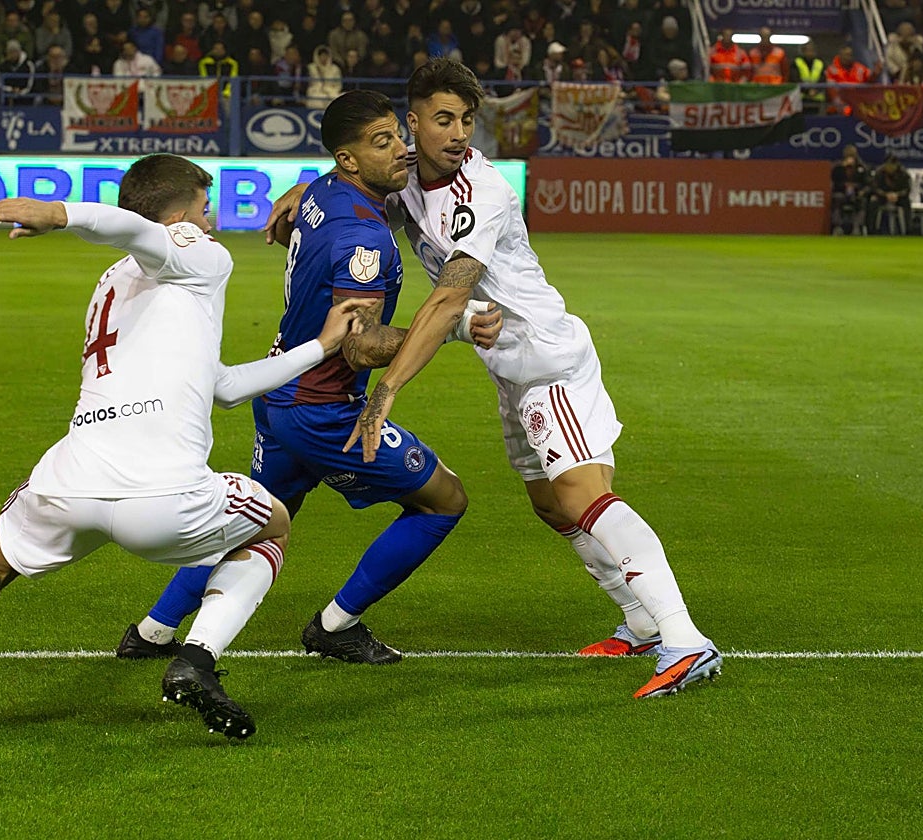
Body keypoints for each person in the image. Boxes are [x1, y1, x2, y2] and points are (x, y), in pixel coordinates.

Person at [0, 154, 369, 745]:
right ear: (180, 214)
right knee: (273, 525)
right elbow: (141, 230)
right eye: (205, 210)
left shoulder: (111, 284)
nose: (212, 223)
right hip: (163, 496)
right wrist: (57, 212)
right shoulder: (197, 251)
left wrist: (319, 347)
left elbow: (222, 388)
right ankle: (198, 659)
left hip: (70, 481)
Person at [275, 60, 722, 699]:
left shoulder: (483, 193)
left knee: (580, 496)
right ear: (412, 123)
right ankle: (641, 621)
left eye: (466, 121)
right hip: (510, 368)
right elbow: (349, 171)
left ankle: (685, 639)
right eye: (443, 119)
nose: (458, 133)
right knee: (550, 506)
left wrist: (387, 391)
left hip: (547, 359)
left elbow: (448, 301)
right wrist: (304, 187)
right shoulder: (403, 178)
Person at [115, 91, 502, 666]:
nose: (403, 150)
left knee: (251, 519)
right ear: (349, 160)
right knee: (443, 500)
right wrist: (451, 328)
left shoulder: (320, 190)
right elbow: (361, 343)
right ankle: (336, 625)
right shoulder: (363, 238)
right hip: (323, 408)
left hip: (279, 390)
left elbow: (317, 193)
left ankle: (151, 630)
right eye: (384, 142)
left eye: (398, 134)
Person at [830, 144, 870, 235]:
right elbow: (834, 182)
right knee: (836, 199)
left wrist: (862, 191)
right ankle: (838, 226)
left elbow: (867, 184)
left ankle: (857, 226)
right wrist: (842, 168)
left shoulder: (862, 168)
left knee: (862, 201)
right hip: (842, 193)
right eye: (848, 154)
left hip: (857, 194)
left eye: (852, 154)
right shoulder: (837, 167)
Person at [870, 153, 912, 233]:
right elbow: (875, 188)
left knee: (907, 202)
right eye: (888, 165)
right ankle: (872, 230)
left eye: (892, 165)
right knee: (873, 201)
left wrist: (897, 195)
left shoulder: (903, 174)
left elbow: (907, 189)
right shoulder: (879, 173)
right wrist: (885, 195)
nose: (890, 167)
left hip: (898, 197)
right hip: (883, 196)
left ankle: (909, 229)